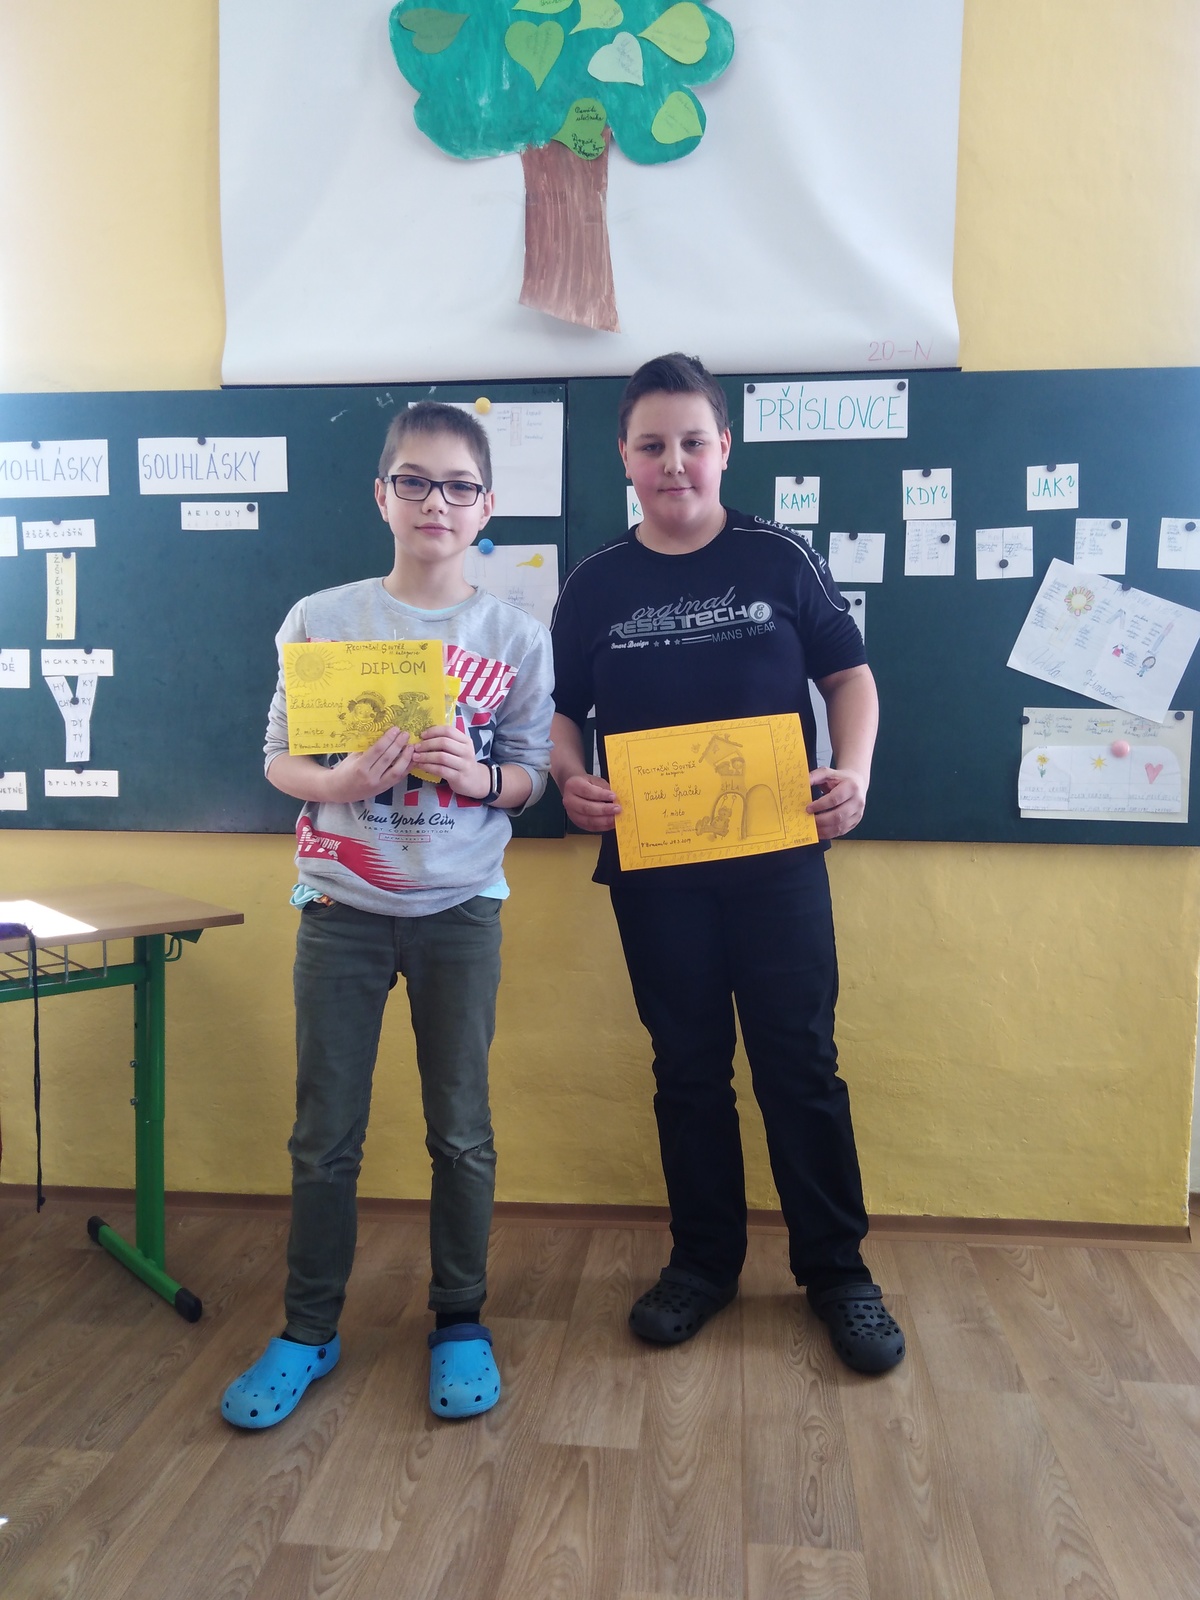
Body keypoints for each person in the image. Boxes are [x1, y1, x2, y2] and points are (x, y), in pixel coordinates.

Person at [550, 353, 904, 1374]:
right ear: (625, 458)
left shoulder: (778, 557)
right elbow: (562, 711)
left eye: (692, 442)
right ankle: (703, 1264)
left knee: (800, 1062)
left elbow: (851, 677)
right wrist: (571, 779)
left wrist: (854, 773)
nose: (674, 462)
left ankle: (837, 1271)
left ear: (724, 450)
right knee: (689, 1069)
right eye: (652, 445)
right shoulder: (594, 583)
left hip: (779, 862)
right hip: (656, 872)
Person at [222, 401, 554, 1427]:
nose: (434, 502)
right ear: (382, 494)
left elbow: (533, 776)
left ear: (487, 506)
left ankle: (460, 1318)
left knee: (461, 1130)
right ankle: (308, 1328)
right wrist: (334, 784)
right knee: (324, 1133)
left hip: (461, 911)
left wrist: (481, 776)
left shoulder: (515, 637)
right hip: (341, 909)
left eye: (458, 486)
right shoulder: (321, 618)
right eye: (414, 481)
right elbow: (278, 756)